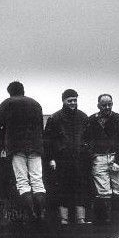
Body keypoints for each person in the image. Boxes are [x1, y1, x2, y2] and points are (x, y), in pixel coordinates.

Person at [0, 81, 47, 222]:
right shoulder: (36, 104)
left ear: (10, 92)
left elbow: (0, 129)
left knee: (22, 182)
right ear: (23, 90)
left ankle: (31, 214)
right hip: (36, 147)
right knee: (37, 181)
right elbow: (41, 129)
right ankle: (41, 213)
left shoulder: (6, 104)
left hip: (16, 148)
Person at [44, 89, 90, 224]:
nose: (73, 103)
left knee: (80, 187)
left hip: (80, 160)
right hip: (61, 161)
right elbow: (47, 141)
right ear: (63, 101)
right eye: (70, 100)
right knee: (62, 189)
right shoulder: (54, 118)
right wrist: (51, 158)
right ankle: (63, 219)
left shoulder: (83, 117)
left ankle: (81, 218)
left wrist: (87, 153)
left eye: (75, 100)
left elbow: (89, 138)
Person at [83, 94, 119, 223]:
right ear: (98, 105)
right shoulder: (91, 120)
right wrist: (91, 155)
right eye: (104, 105)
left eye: (110, 104)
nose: (107, 107)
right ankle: (105, 220)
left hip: (116, 157)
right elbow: (85, 140)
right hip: (99, 158)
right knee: (102, 191)